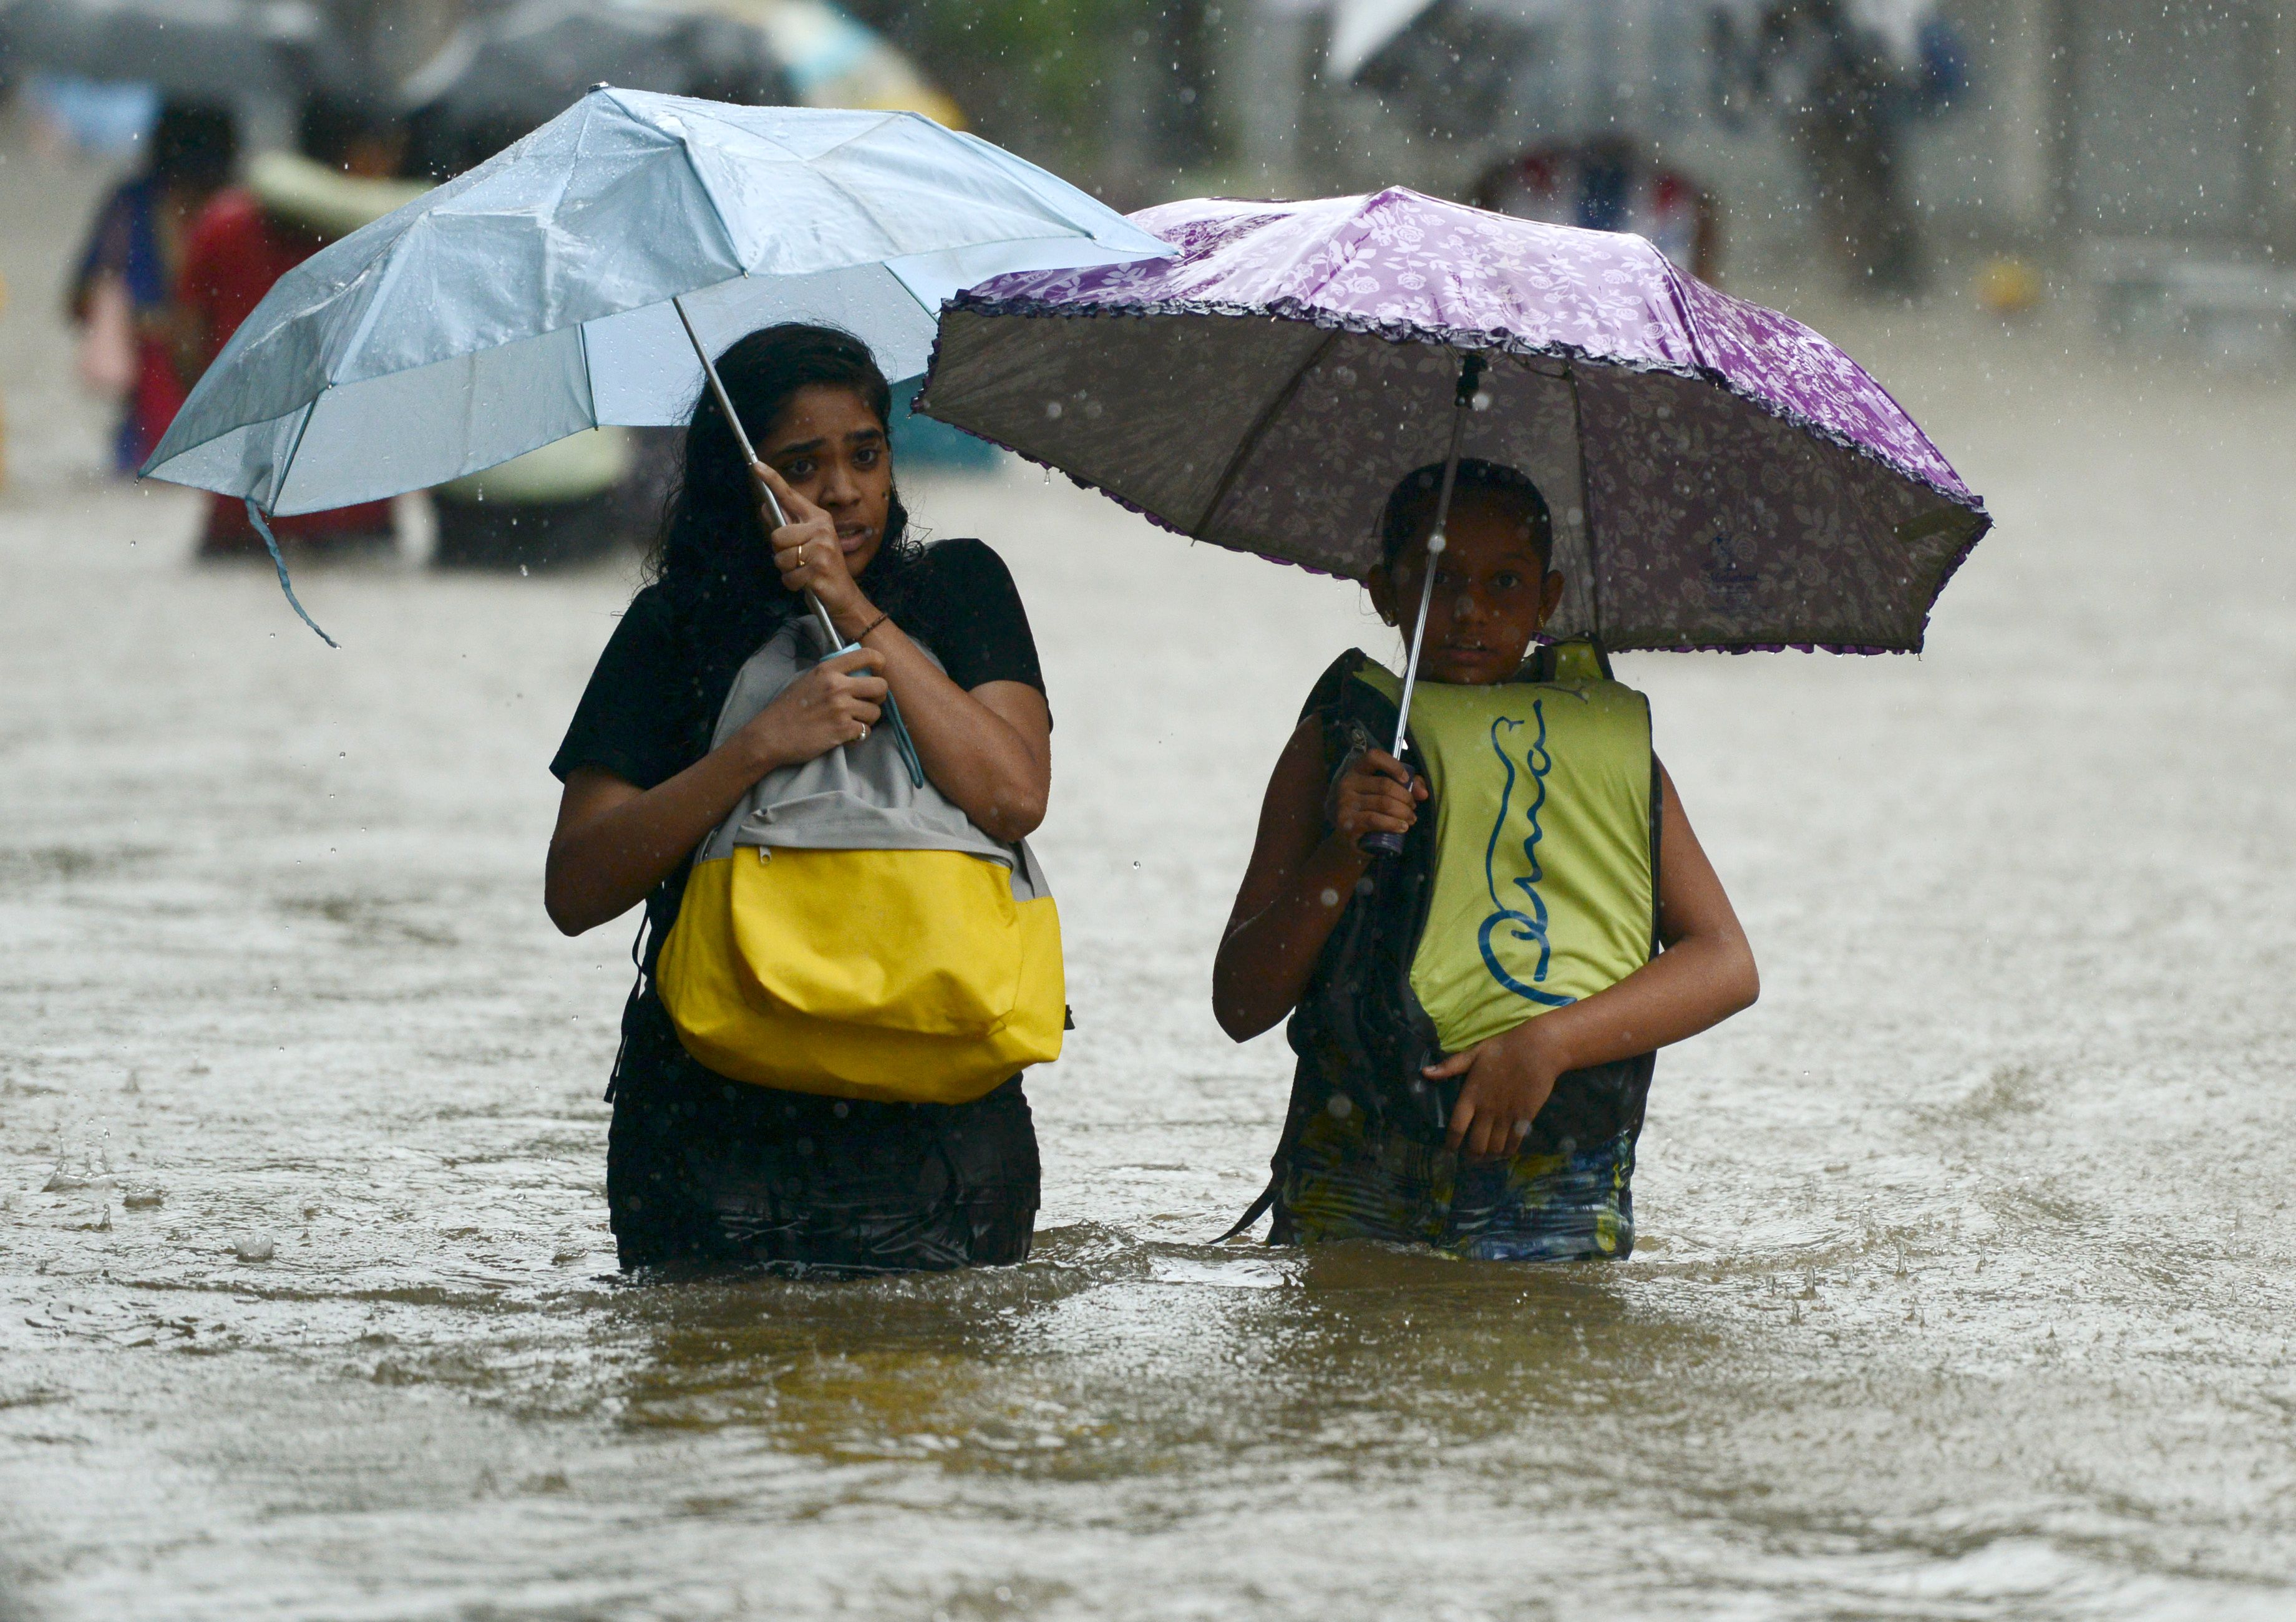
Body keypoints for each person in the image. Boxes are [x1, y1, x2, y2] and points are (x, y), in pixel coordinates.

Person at [545, 323, 1055, 1275]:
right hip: (713, 1133)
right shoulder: (674, 626)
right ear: (738, 476)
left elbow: (1014, 795)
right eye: (802, 464)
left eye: (866, 455)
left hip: (943, 1132)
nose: (843, 491)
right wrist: (758, 748)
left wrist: (854, 611)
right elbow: (575, 887)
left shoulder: (961, 587)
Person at [1212, 460, 1759, 1261]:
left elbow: (1726, 962)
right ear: (1382, 591)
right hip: (1352, 1172)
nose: (1469, 612)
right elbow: (1239, 1004)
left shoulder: (1606, 752)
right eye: (1438, 582)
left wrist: (1547, 1045)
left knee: (1535, 1385)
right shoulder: (1333, 747)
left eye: (1505, 583)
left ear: (1548, 600)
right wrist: (1337, 854)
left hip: (1554, 1181)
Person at [175, 95, 407, 558]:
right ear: (362, 153)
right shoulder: (392, 233)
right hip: (355, 514)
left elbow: (185, 346)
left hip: (240, 510)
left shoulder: (223, 222)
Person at [66, 100, 238, 472]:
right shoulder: (242, 212)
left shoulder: (129, 204)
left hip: (152, 404)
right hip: (213, 389)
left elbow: (78, 303)